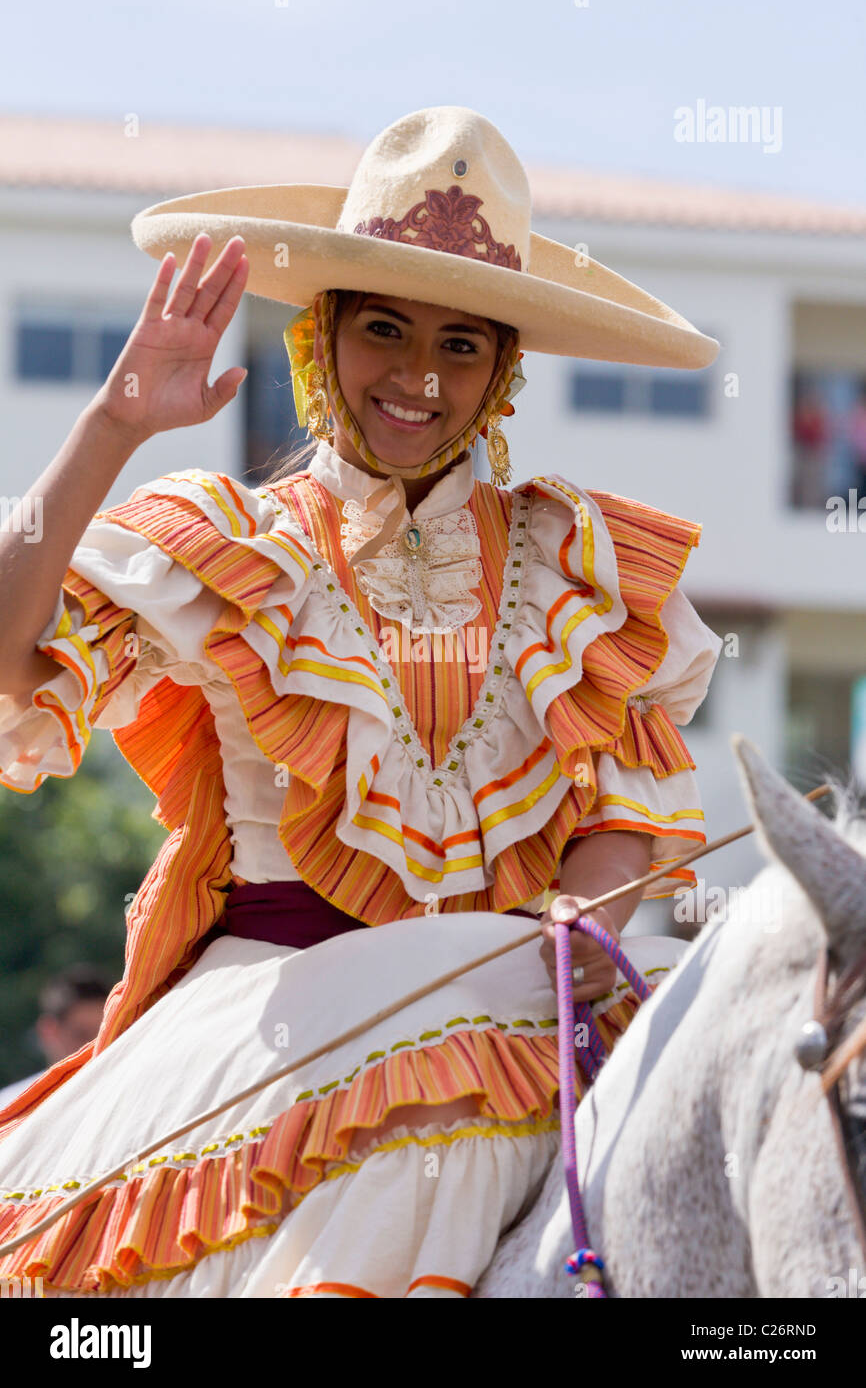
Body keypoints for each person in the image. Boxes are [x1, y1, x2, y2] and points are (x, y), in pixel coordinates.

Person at [0, 106, 722, 1298]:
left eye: (463, 344)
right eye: (383, 328)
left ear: (502, 372)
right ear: (320, 337)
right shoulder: (234, 542)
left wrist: (586, 935)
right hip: (274, 1019)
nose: (420, 376)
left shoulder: (576, 560)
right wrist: (110, 423)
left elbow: (617, 819)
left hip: (517, 997)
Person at [0, 965, 110, 1110]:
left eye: (105, 1034)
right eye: (81, 1034)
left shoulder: (123, 1095)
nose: (95, 1046)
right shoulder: (10, 1110)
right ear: (49, 1031)